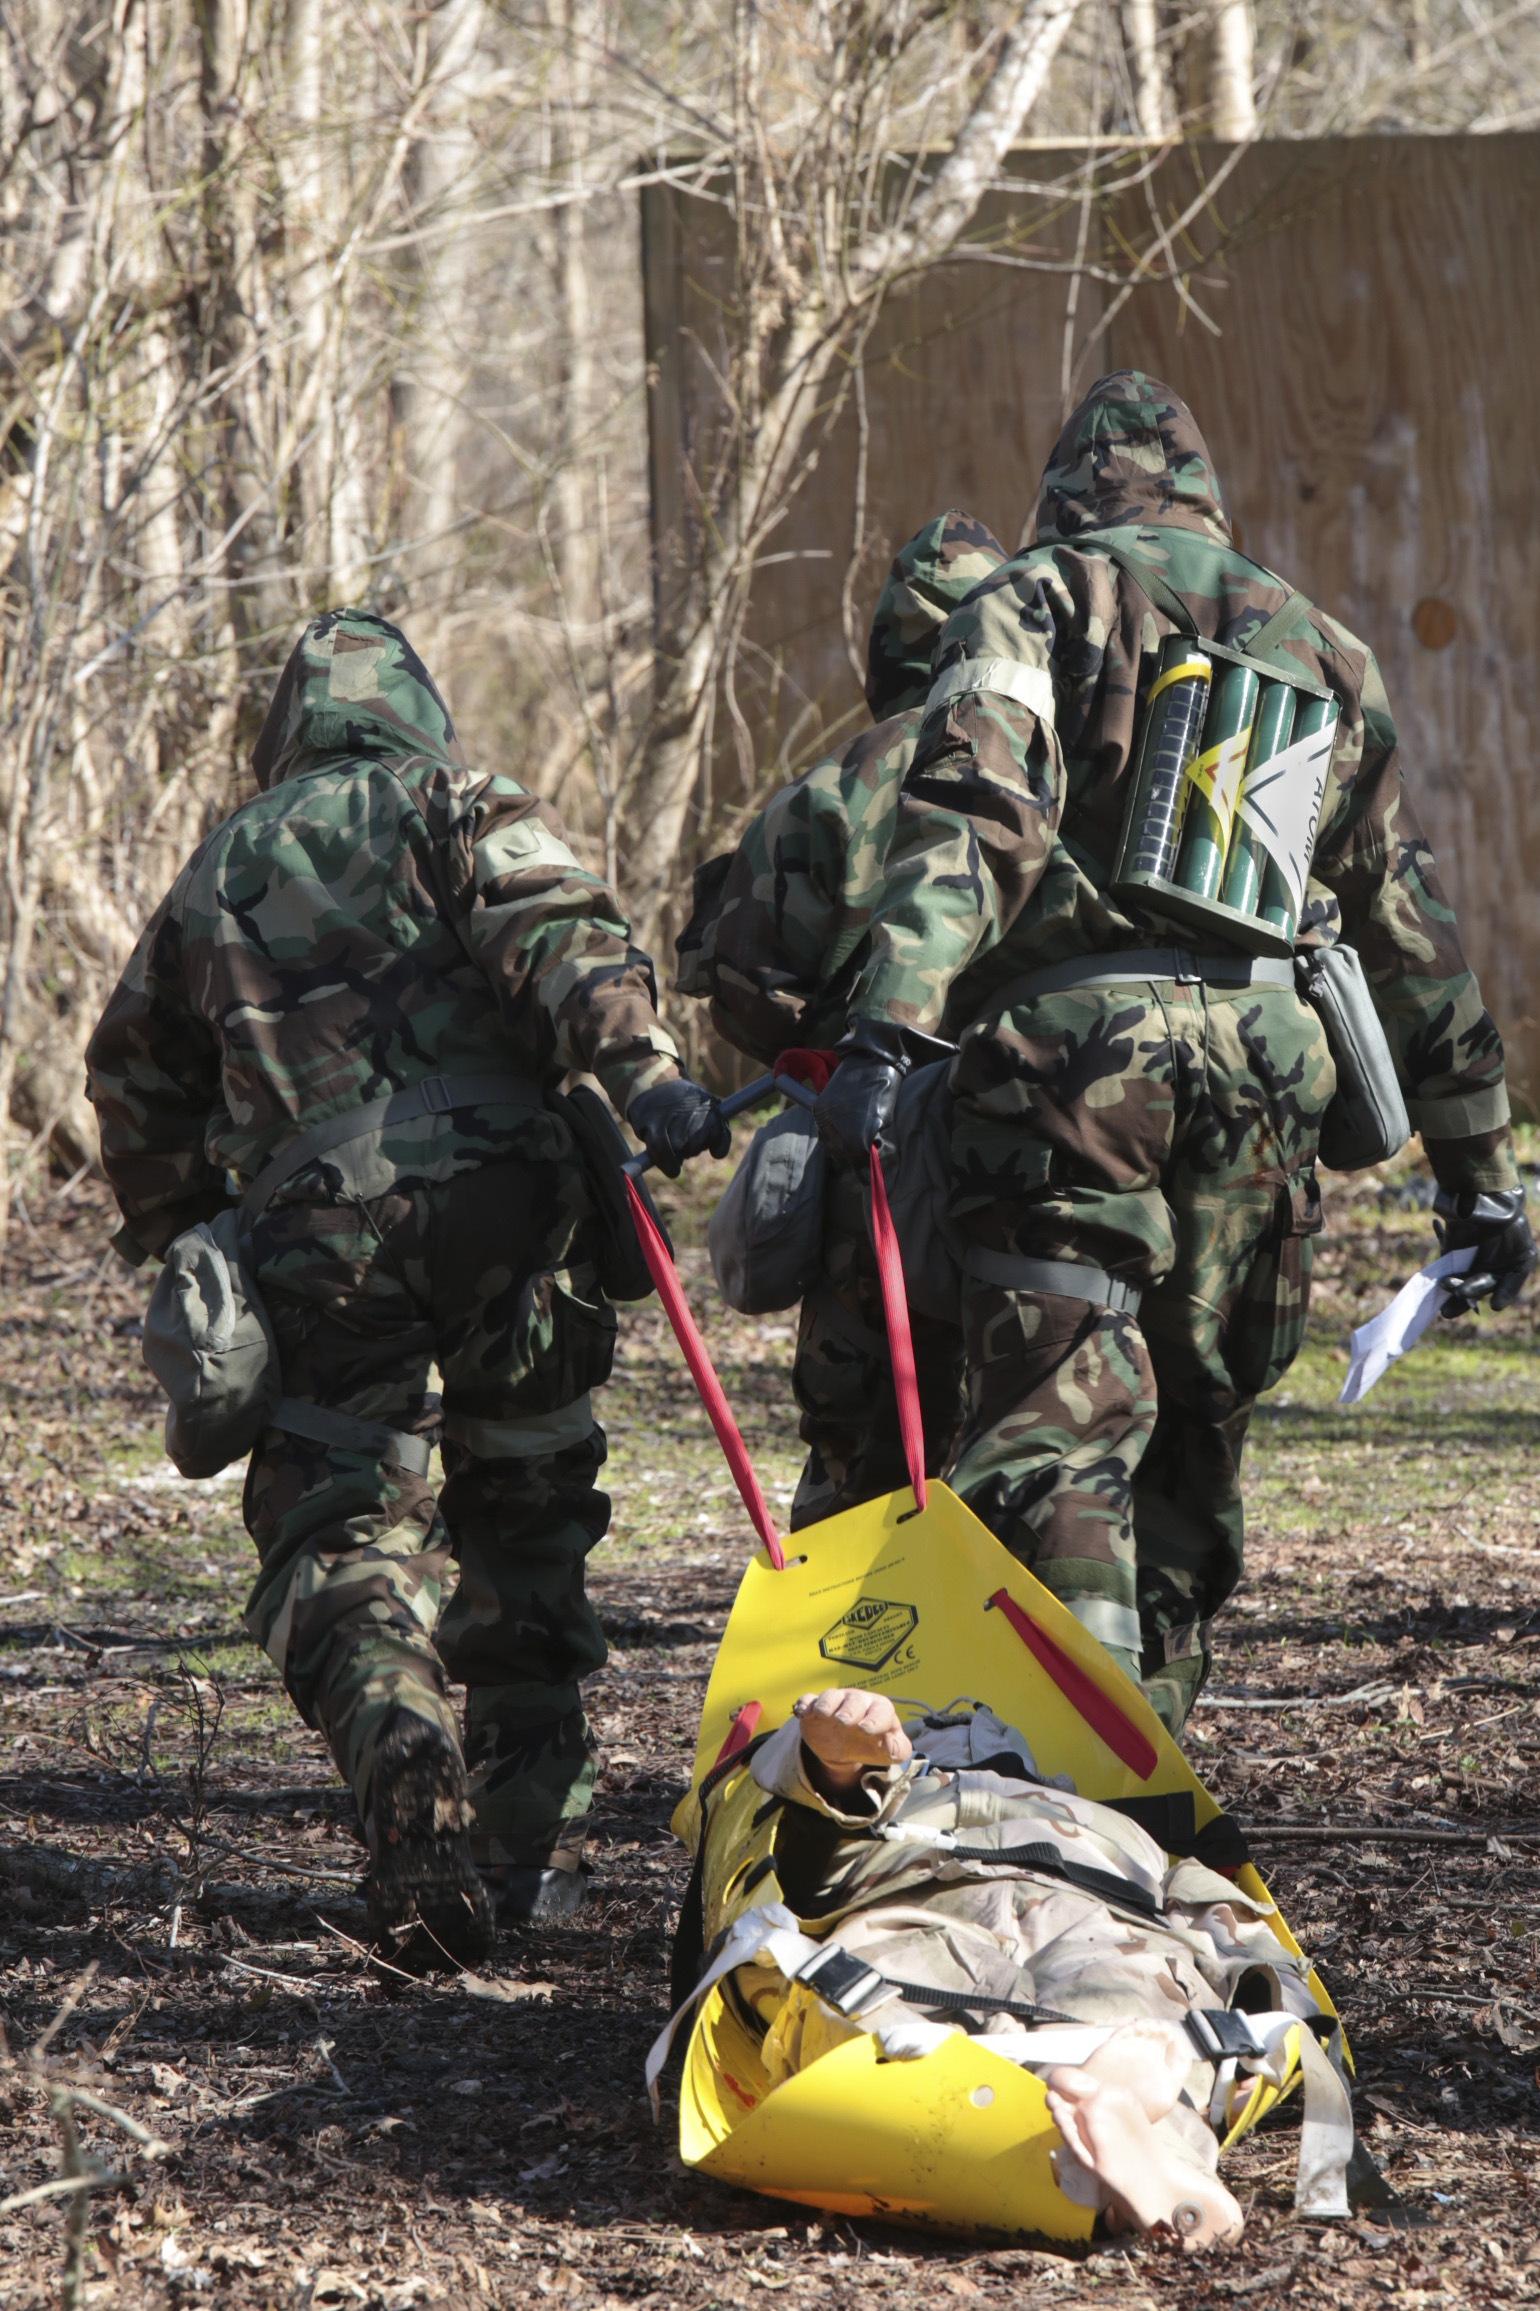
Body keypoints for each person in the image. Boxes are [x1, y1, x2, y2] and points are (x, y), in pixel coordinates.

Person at [811, 372, 1536, 1733]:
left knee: (1059, 1410)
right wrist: (1479, 1166)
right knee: (1198, 1415)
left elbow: (976, 818)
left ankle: (1073, 1755)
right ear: (1202, 492)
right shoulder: (1322, 645)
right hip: (1268, 1062)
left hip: (1071, 1066)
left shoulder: (1030, 601)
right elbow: (1402, 916)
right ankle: (1153, 1753)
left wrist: (890, 1017)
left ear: (1067, 491)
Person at [86, 608, 729, 1966]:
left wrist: (191, 1232)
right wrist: (650, 1075)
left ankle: (400, 1756)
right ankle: (515, 1837)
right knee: (529, 1497)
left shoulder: (219, 866)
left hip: (323, 1230)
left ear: (288, 730)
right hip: (514, 1196)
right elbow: (558, 926)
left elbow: (131, 1074)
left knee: (338, 1524)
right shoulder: (455, 799)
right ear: (417, 711)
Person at [662, 1684, 1352, 2246]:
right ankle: (1156, 2147)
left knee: (881, 2028)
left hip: (919, 1909)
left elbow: (799, 1850)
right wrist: (1287, 2015)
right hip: (1099, 1914)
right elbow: (1223, 1920)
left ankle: (1097, 2130)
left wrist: (838, 1770)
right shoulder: (1102, 1819)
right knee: (1149, 2022)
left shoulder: (907, 1794)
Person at [677, 510, 1006, 1525]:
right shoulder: (1065, 770)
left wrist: (825, 1030)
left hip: (872, 1164)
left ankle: (851, 1672)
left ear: (886, 647)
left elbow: (739, 979)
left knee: (862, 1455)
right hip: (1042, 1146)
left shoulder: (831, 789)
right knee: (1039, 1431)